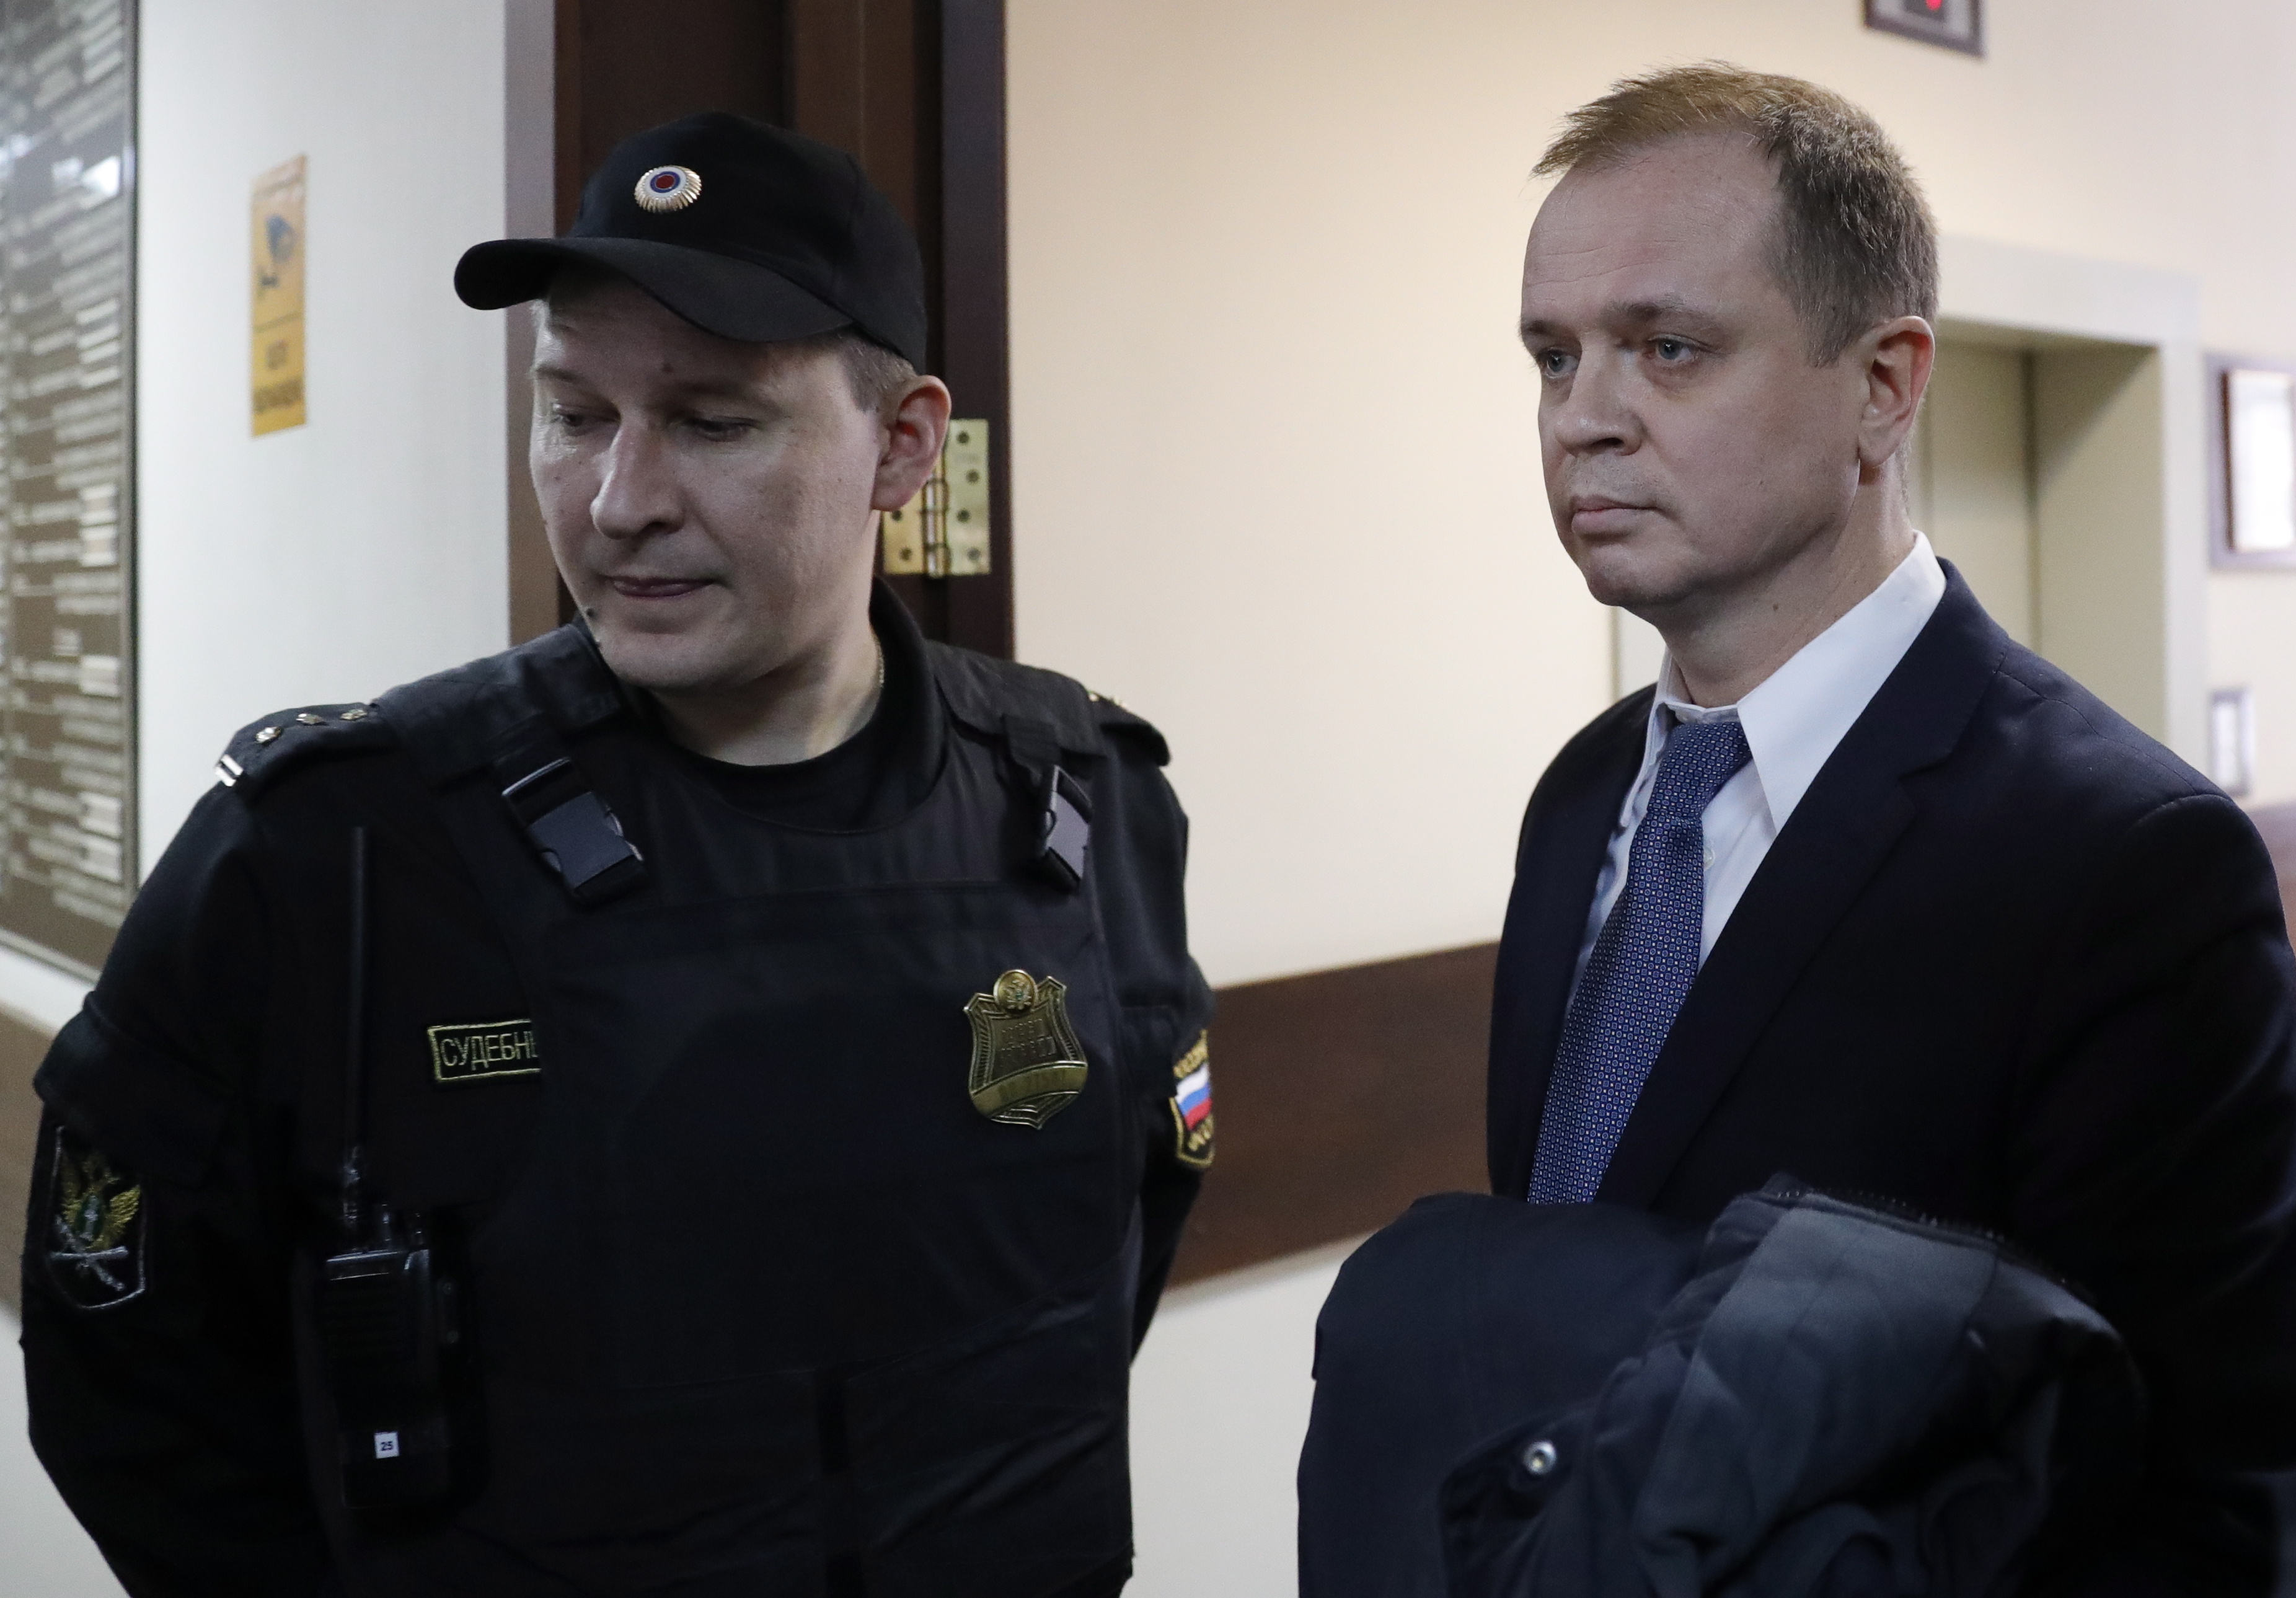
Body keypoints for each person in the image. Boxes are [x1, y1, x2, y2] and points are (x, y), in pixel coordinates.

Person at [20, 112, 1212, 1598]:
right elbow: (131, 1375)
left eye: (713, 422)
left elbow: (1115, 1250)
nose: (619, 500)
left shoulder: (1083, 804)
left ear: (902, 445)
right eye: (575, 414)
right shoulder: (339, 849)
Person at [1475, 65, 2296, 1588]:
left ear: (1883, 386)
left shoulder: (2122, 861)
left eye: (1667, 348)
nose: (1582, 419)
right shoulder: (1580, 800)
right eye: (1552, 356)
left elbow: (2204, 1505)